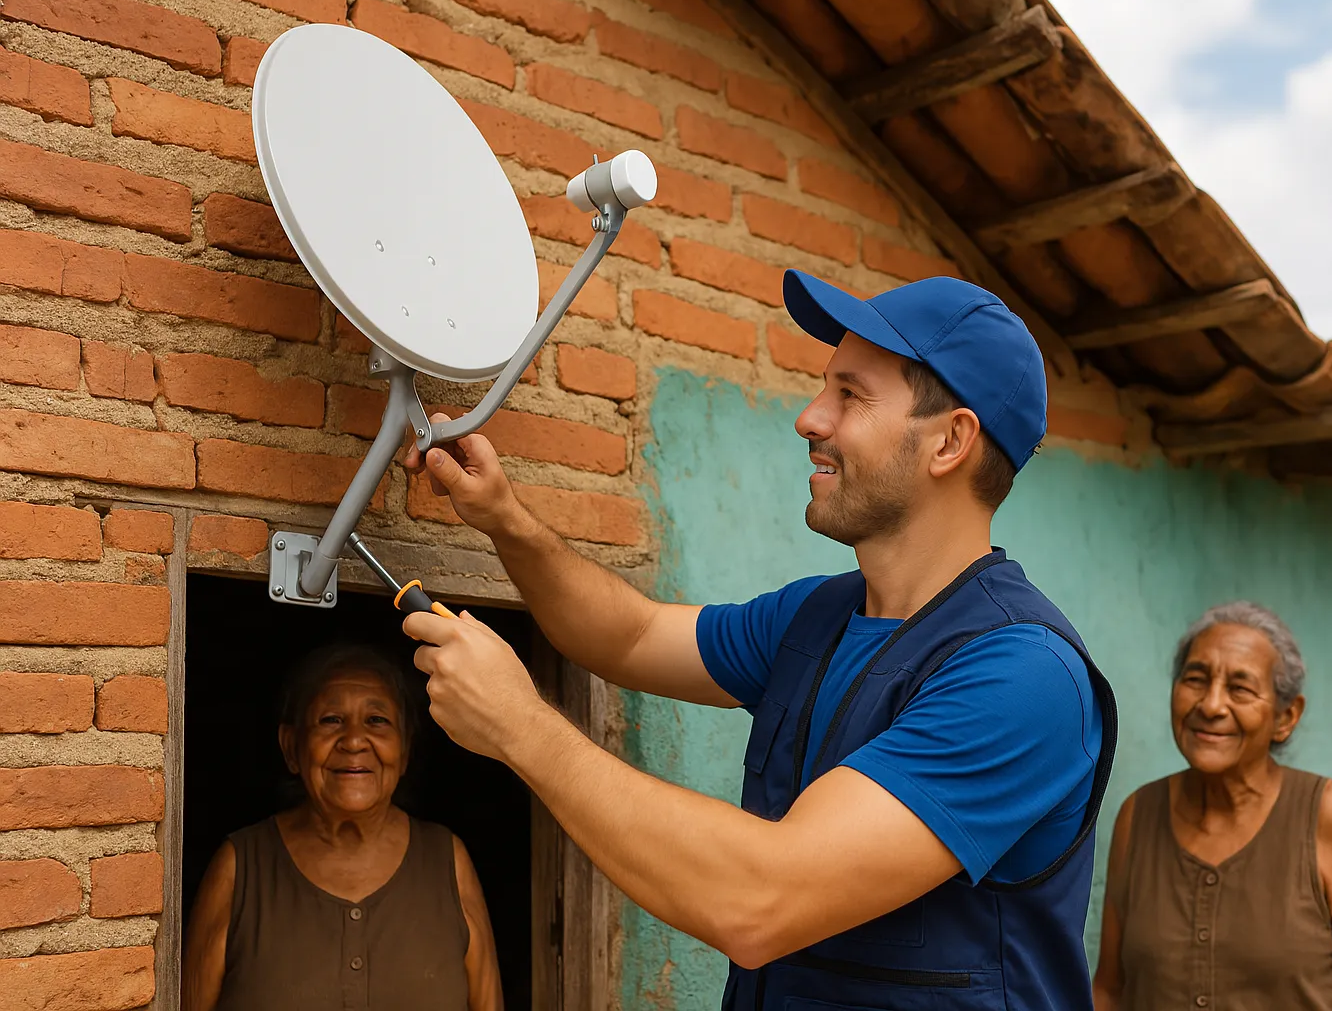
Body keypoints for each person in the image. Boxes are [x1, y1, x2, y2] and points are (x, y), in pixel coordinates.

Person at [400, 272, 1118, 1009]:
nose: (810, 419)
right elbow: (631, 635)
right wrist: (504, 519)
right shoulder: (819, 617)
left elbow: (760, 899)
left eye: (850, 395)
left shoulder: (1023, 675)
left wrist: (522, 726)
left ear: (950, 441)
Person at [1092, 602, 1332, 1011]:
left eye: (1240, 688)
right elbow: (1110, 992)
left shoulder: (1328, 816)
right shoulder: (1138, 816)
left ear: (1286, 717)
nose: (1211, 705)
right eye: (1195, 678)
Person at [182, 645, 503, 1011]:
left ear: (405, 750)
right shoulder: (240, 867)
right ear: (291, 747)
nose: (353, 742)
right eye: (331, 719)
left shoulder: (447, 861)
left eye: (377, 720)